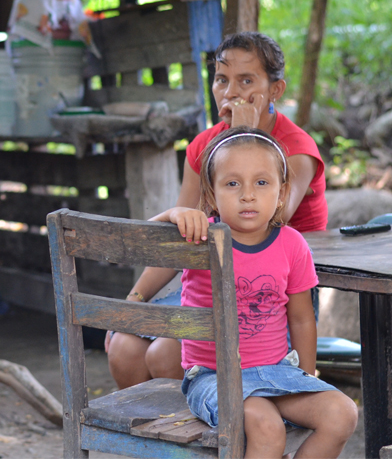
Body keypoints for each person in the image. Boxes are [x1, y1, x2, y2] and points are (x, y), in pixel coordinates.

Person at [106, 31, 328, 389]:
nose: (231, 93)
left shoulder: (297, 150)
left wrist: (244, 133)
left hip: (272, 297)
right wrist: (135, 300)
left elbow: (270, 221)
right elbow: (182, 234)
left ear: (275, 90)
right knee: (124, 346)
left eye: (246, 81)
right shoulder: (203, 147)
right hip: (211, 284)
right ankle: (165, 441)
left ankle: (219, 439)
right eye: (222, 80)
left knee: (163, 353)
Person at [157, 127, 357, 458]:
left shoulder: (293, 244)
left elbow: (302, 319)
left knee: (342, 413)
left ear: (282, 193)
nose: (247, 195)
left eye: (261, 183)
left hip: (277, 372)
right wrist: (174, 214)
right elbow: (134, 238)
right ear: (210, 193)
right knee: (266, 426)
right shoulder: (201, 236)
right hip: (213, 377)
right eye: (232, 183)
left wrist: (305, 378)